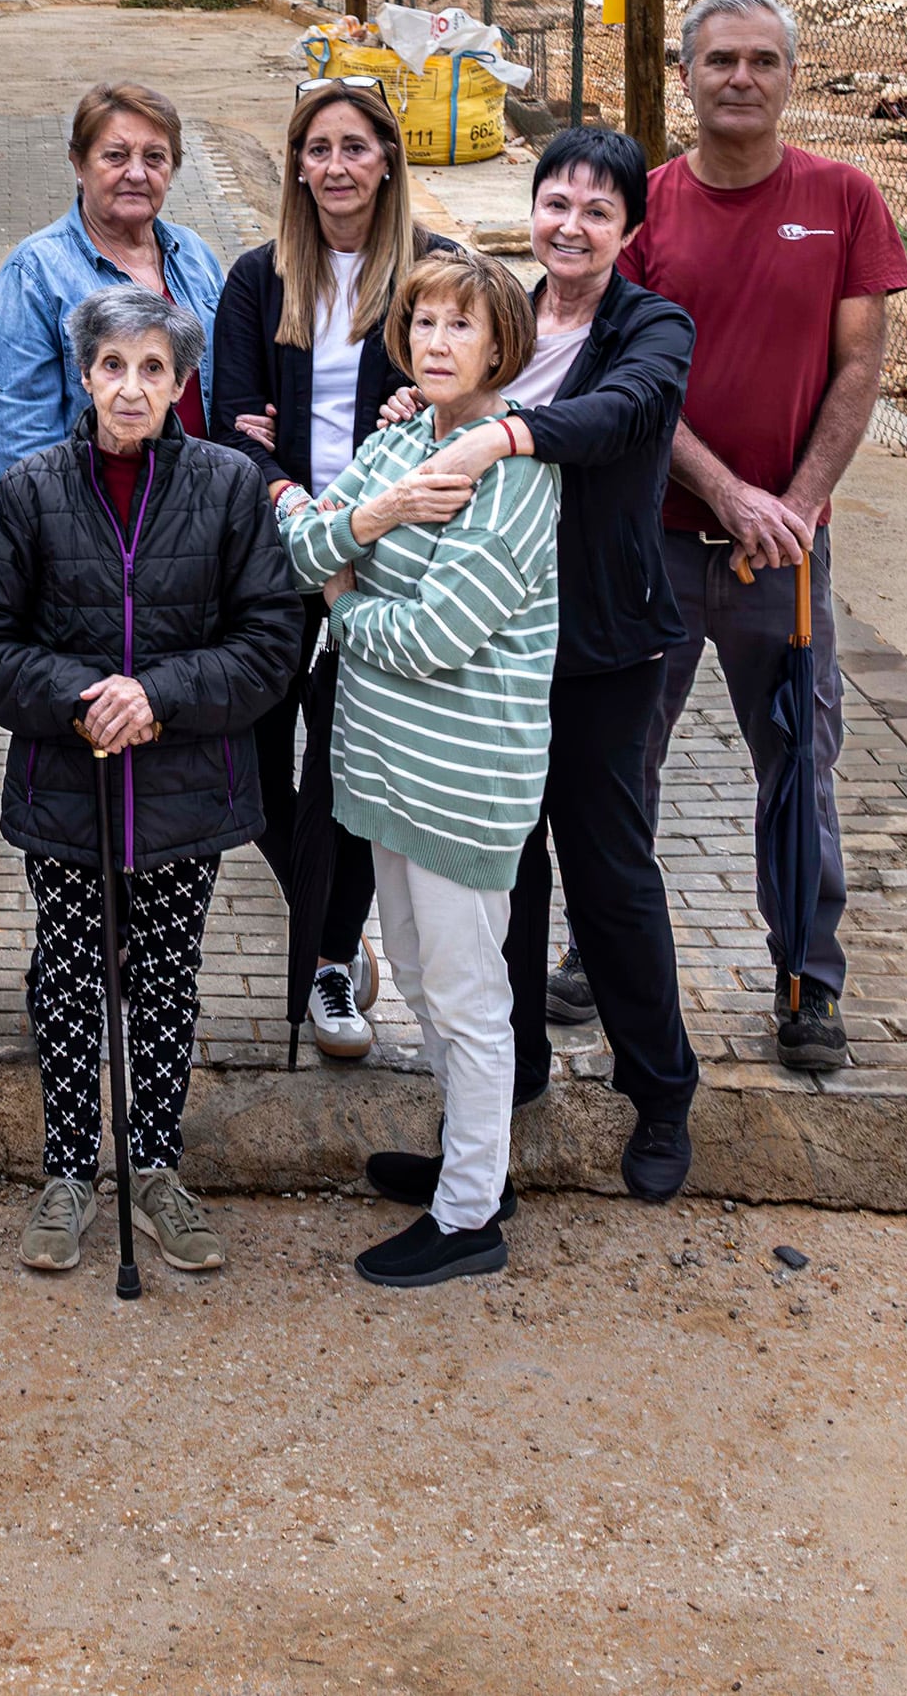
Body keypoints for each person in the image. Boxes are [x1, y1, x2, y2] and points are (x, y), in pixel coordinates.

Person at [0, 286, 305, 1277]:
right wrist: (82, 700)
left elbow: (270, 640)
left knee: (165, 978)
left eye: (154, 368)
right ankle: (68, 1172)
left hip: (185, 792)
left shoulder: (229, 486)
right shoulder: (30, 489)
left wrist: (158, 696)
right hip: (69, 791)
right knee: (68, 978)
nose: (132, 387)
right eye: (114, 365)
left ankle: (155, 1167)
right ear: (85, 374)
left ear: (182, 382)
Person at [389, 125, 701, 1203]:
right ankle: (505, 1084)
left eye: (597, 210)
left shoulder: (652, 327)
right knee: (502, 877)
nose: (571, 226)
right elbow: (447, 391)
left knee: (610, 879)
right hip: (495, 649)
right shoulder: (502, 314)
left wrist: (502, 433)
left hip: (603, 649)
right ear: (532, 212)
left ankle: (660, 1093)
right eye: (555, 204)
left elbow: (623, 415)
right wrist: (428, 409)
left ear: (629, 228)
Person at [617, 0, 907, 1077]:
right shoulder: (641, 210)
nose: (739, 78)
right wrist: (728, 492)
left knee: (797, 765)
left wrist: (794, 503)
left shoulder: (844, 199)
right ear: (684, 77)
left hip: (784, 556)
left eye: (761, 60)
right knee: (616, 760)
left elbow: (859, 365)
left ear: (791, 76)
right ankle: (602, 950)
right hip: (650, 545)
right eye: (719, 60)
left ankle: (807, 982)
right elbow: (626, 381)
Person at [270, 247, 559, 1289]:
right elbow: (300, 549)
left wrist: (347, 604)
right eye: (424, 322)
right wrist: (376, 521)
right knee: (422, 975)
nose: (437, 342)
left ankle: (471, 1215)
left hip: (460, 777)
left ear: (501, 343)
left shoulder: (516, 474)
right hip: (386, 768)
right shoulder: (400, 442)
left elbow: (437, 633)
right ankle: (470, 1165)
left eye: (461, 325)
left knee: (468, 994)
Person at [209, 78, 455, 1067]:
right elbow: (232, 423)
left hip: (384, 556)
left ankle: (325, 958)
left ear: (387, 159)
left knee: (346, 763)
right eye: (319, 149)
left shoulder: (435, 271)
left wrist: (423, 408)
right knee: (252, 757)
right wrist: (284, 491)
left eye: (356, 146)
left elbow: (464, 399)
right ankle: (325, 915)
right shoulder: (259, 277)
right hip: (280, 547)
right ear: (297, 167)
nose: (337, 165)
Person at [0, 82, 224, 494]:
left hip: (199, 511)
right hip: (94, 522)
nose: (137, 174)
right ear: (78, 164)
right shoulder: (34, 275)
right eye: (116, 156)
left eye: (155, 157)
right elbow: (15, 452)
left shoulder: (194, 257)